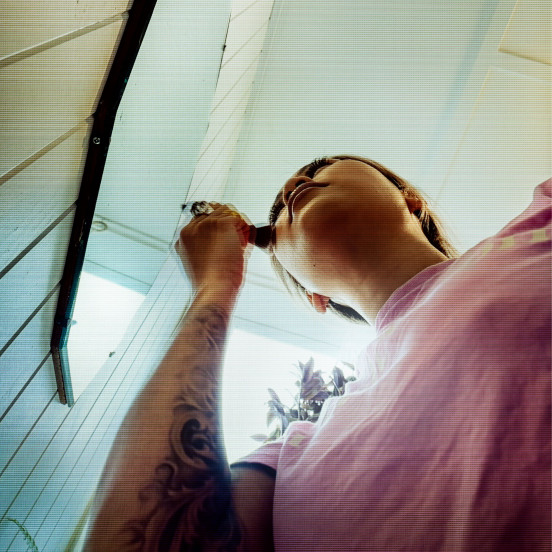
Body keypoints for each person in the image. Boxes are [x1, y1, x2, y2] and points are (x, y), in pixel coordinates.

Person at [84, 156, 551, 551]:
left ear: (411, 200)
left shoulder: (542, 224)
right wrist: (214, 289)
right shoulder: (288, 461)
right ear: (314, 296)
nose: (292, 185)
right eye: (278, 209)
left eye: (320, 166)